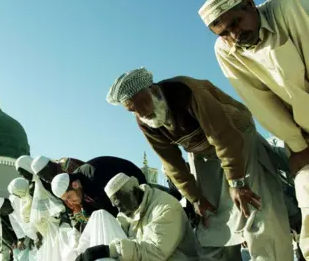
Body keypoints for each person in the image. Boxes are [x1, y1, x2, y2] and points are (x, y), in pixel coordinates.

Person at [106, 67, 293, 260]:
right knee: (211, 217)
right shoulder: (145, 121)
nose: (140, 112)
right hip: (200, 150)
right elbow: (171, 162)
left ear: (152, 90)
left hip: (236, 137)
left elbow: (223, 136)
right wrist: (196, 198)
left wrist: (236, 182)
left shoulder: (187, 92)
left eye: (141, 103)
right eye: (132, 109)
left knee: (253, 203)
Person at [199, 0, 309, 257]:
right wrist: (297, 145)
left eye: (236, 23)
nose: (234, 35)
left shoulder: (289, 7)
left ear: (249, 4)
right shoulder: (226, 50)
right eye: (223, 32)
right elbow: (261, 102)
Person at [77, 173, 201, 261]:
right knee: (100, 216)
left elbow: (155, 253)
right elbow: (117, 232)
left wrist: (108, 250)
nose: (119, 210)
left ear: (135, 192)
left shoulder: (165, 208)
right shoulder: (130, 209)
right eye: (116, 206)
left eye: (120, 204)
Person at [51, 156, 147, 218]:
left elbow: (110, 210)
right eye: (66, 200)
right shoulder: (77, 182)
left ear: (75, 185)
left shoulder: (93, 178)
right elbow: (89, 207)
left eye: (68, 197)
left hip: (138, 186)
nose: (70, 202)